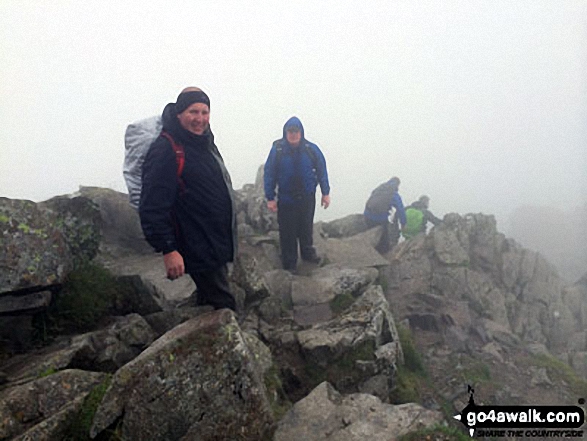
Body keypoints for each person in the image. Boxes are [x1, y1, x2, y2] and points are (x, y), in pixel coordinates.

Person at [139, 87, 237, 311]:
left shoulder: (203, 143)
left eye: (205, 112)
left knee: (209, 301)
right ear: (179, 114)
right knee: (224, 305)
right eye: (193, 112)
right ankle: (229, 344)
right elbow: (152, 205)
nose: (200, 119)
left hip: (213, 241)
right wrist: (168, 249)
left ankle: (203, 340)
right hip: (196, 243)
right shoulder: (166, 149)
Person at [264, 116, 330, 272]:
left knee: (306, 228)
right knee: (288, 232)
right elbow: (269, 174)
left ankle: (308, 254)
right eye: (290, 131)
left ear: (301, 132)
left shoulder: (311, 149)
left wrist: (325, 193)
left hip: (307, 197)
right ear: (285, 133)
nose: (293, 134)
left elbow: (322, 171)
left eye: (296, 131)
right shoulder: (278, 150)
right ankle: (290, 263)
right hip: (287, 199)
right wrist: (270, 198)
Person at [363, 177, 406, 254]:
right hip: (380, 219)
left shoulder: (378, 189)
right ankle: (383, 256)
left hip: (367, 216)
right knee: (384, 241)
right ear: (397, 185)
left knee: (370, 237)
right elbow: (400, 210)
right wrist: (403, 223)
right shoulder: (393, 194)